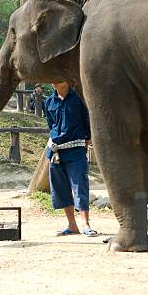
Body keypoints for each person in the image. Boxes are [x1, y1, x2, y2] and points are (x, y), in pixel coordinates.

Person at [45, 81, 97, 237]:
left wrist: (88, 138)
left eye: (58, 78)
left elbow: (87, 120)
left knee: (80, 185)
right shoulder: (49, 101)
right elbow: (51, 124)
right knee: (60, 189)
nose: (54, 82)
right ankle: (72, 225)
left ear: (66, 80)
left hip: (76, 150)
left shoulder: (79, 99)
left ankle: (85, 224)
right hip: (56, 151)